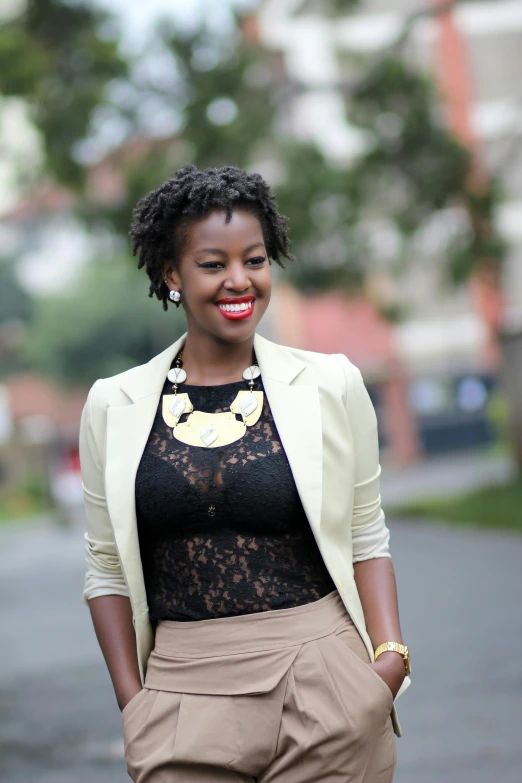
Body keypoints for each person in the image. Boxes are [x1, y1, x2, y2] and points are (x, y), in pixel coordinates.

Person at [79, 163, 411, 783]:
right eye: (212, 264)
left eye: (254, 260)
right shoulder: (113, 404)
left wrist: (387, 661)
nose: (240, 280)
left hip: (326, 679)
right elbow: (105, 570)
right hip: (181, 693)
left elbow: (367, 533)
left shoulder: (330, 383)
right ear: (171, 273)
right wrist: (135, 705)